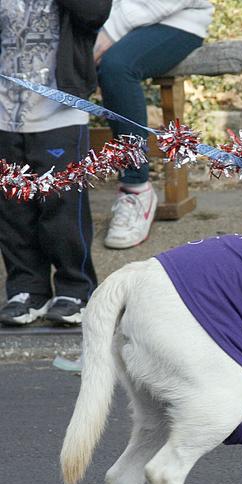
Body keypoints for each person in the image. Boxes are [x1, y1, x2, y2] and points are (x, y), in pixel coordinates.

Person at [0, 0, 112, 327]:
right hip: (5, 112)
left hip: (58, 113)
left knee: (61, 205)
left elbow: (94, 13)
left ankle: (75, 288)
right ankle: (26, 288)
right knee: (13, 208)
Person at [94, 0, 213, 250]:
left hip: (174, 20)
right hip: (98, 17)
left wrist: (109, 31)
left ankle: (136, 189)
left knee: (116, 67)